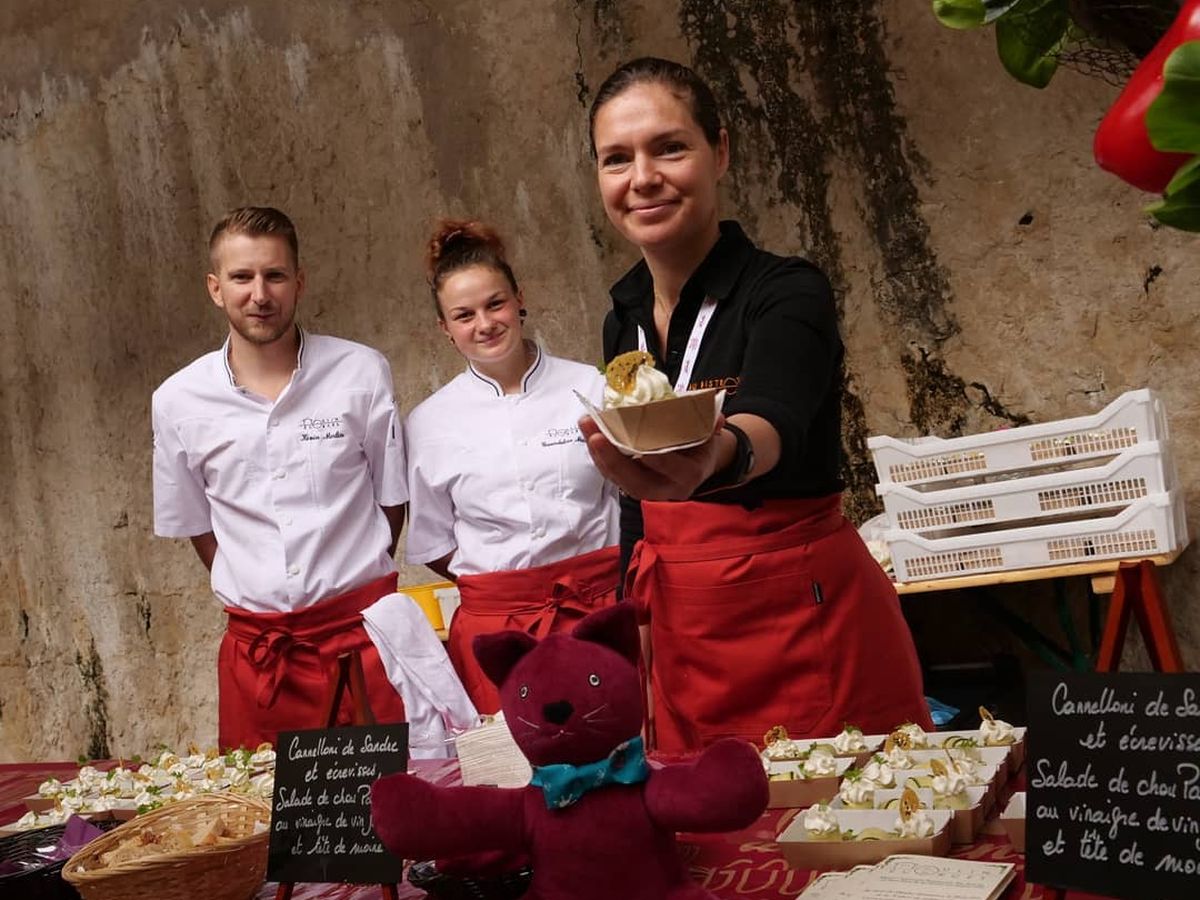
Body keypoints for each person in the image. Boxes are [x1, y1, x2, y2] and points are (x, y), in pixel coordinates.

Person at [579, 58, 933, 753]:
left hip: (802, 616)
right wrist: (631, 628)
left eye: (669, 147)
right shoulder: (622, 319)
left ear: (722, 150)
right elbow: (633, 500)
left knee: (847, 834)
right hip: (685, 636)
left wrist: (717, 455)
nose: (642, 177)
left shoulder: (786, 292)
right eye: (616, 159)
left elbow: (773, 421)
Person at [152, 206, 410, 750]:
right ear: (215, 288)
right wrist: (259, 584)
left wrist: (343, 580)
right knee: (263, 826)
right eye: (242, 277)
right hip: (260, 657)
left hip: (364, 640)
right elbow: (199, 525)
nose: (260, 294)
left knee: (391, 820)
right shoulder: (177, 400)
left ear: (299, 281)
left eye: (274, 275)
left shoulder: (361, 372)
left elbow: (391, 500)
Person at [403, 220, 620, 713]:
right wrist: (510, 586)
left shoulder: (588, 386)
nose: (485, 323)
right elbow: (437, 543)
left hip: (600, 610)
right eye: (464, 314)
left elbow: (629, 497)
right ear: (445, 328)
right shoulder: (429, 422)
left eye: (495, 304)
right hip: (500, 632)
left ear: (520, 299)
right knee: (513, 778)